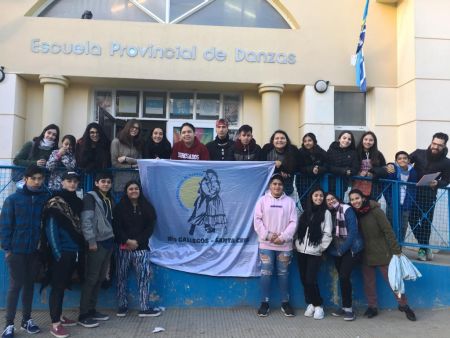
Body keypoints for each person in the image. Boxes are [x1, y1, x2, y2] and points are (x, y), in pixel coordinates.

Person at [349, 189, 416, 321]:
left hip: (383, 252)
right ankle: (372, 307)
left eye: (357, 198)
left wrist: (396, 250)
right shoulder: (354, 214)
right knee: (369, 283)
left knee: (394, 282)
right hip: (365, 254)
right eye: (352, 200)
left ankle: (404, 306)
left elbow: (388, 230)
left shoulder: (376, 211)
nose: (355, 201)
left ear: (363, 198)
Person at [0, 165, 51, 338]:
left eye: (40, 178)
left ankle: (26, 320)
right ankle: (8, 325)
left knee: (29, 286)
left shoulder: (44, 198)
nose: (37, 182)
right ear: (26, 179)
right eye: (34, 178)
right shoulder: (13, 199)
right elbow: (5, 225)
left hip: (34, 251)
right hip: (16, 250)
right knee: (15, 286)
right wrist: (7, 249)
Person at [42, 171, 85, 338]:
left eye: (75, 181)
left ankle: (59, 315)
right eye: (69, 181)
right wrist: (57, 253)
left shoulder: (77, 203)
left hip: (74, 251)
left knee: (63, 285)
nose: (72, 184)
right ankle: (55, 324)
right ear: (62, 183)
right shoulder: (55, 202)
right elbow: (51, 229)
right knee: (58, 287)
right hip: (61, 253)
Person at [113, 180, 161, 318]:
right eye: (130, 189)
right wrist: (127, 241)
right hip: (123, 249)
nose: (134, 191)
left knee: (144, 278)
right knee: (121, 277)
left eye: (136, 189)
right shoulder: (119, 208)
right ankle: (122, 306)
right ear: (126, 191)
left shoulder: (147, 207)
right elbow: (116, 227)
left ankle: (144, 308)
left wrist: (137, 241)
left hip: (142, 249)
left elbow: (150, 228)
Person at [253, 174, 297, 317]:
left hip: (284, 246)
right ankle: (264, 303)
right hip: (266, 244)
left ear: (283, 186)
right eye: (274, 184)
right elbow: (257, 221)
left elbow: (293, 222)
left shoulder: (290, 202)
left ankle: (285, 302)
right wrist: (268, 236)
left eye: (279, 184)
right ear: (270, 186)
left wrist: (283, 237)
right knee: (266, 273)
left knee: (283, 274)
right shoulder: (262, 201)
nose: (277, 186)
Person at [78, 172, 115, 328]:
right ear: (96, 183)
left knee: (100, 278)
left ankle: (92, 310)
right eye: (103, 181)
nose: (106, 184)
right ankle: (83, 314)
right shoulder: (90, 198)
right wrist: (91, 240)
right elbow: (86, 220)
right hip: (97, 243)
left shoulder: (109, 198)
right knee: (91, 278)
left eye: (108, 182)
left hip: (108, 241)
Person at [407, 132, 450, 261]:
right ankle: (425, 246)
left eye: (439, 145)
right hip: (412, 192)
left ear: (444, 146)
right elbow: (404, 161)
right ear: (431, 141)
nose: (435, 147)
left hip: (429, 195)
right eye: (434, 143)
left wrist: (437, 183)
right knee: (411, 218)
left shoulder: (447, 162)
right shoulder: (419, 153)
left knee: (426, 222)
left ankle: (422, 249)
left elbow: (447, 180)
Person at [325, 192, 363, 321]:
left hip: (351, 249)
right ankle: (345, 306)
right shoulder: (329, 213)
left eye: (332, 198)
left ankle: (349, 309)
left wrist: (342, 250)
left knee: (343, 276)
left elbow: (353, 232)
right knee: (342, 279)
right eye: (328, 200)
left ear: (337, 198)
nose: (330, 201)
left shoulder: (347, 209)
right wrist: (335, 251)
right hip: (337, 250)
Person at [295, 188, 332, 320]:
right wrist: (297, 245)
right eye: (316, 195)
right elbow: (299, 230)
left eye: (321, 196)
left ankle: (318, 305)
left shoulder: (326, 213)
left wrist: (320, 248)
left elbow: (328, 233)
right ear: (311, 197)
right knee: (304, 280)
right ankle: (310, 303)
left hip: (314, 252)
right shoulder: (306, 212)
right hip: (301, 252)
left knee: (311, 280)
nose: (319, 198)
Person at [385, 151, 418, 244]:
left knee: (403, 227)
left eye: (404, 158)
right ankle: (389, 248)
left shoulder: (413, 172)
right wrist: (390, 201)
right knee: (390, 225)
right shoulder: (393, 170)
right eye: (399, 158)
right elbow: (387, 187)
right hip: (393, 203)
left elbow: (413, 189)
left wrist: (409, 203)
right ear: (396, 161)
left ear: (408, 160)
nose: (402, 160)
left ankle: (399, 248)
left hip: (406, 204)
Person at [188, 169, 227, 235]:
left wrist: (212, 193)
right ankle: (192, 229)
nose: (206, 175)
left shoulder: (214, 181)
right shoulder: (204, 181)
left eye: (208, 173)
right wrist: (210, 193)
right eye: (207, 174)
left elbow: (216, 189)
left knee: (213, 215)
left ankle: (212, 231)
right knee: (199, 214)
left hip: (214, 201)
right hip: (205, 200)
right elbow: (205, 191)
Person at [295, 133, 327, 210]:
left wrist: (319, 169)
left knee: (317, 201)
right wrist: (311, 169)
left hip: (317, 181)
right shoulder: (299, 152)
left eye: (309, 140)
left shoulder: (321, 152)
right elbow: (298, 167)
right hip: (303, 182)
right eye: (305, 141)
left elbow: (327, 165)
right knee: (305, 202)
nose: (307, 143)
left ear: (314, 141)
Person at [261, 130, 297, 195]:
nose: (279, 140)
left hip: (286, 188)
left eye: (282, 138)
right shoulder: (267, 149)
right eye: (277, 138)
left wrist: (281, 166)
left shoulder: (293, 150)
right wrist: (277, 167)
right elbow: (263, 165)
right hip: (268, 186)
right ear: (273, 141)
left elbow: (295, 167)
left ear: (286, 140)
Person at [111, 119, 143, 192]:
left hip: (135, 181)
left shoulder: (138, 143)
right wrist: (132, 166)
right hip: (121, 182)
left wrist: (126, 159)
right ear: (127, 127)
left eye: (137, 128)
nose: (134, 130)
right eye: (132, 127)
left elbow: (140, 162)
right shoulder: (116, 142)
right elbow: (115, 164)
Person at [354, 131, 388, 199]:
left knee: (372, 205)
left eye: (371, 140)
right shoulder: (355, 152)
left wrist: (373, 173)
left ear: (374, 142)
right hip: (358, 184)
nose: (368, 142)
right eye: (365, 139)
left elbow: (383, 168)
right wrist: (359, 173)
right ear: (362, 140)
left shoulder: (378, 154)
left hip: (374, 186)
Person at [326, 131, 359, 197]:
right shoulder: (332, 149)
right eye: (344, 138)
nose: (346, 140)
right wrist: (343, 171)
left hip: (342, 184)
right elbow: (327, 165)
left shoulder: (353, 153)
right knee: (328, 203)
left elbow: (355, 168)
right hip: (328, 182)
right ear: (339, 139)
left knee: (339, 204)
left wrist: (350, 171)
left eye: (349, 139)